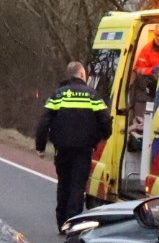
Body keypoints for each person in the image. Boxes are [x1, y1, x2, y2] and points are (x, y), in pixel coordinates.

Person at [36, 61, 108, 230]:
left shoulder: (58, 95)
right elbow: (105, 120)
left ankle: (61, 222)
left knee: (64, 183)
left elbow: (44, 121)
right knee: (78, 185)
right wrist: (101, 138)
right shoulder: (93, 96)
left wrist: (40, 146)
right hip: (84, 149)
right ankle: (73, 223)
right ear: (82, 75)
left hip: (62, 149)